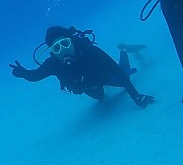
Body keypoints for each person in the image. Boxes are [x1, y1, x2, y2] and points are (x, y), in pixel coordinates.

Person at [9, 26, 155, 107]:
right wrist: (23, 73)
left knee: (125, 75)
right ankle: (99, 89)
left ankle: (123, 50)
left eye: (65, 44)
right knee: (100, 98)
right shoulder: (53, 64)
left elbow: (116, 70)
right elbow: (35, 76)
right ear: (52, 52)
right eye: (57, 48)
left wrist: (137, 97)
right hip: (87, 86)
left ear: (72, 42)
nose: (63, 50)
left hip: (106, 77)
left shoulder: (88, 50)